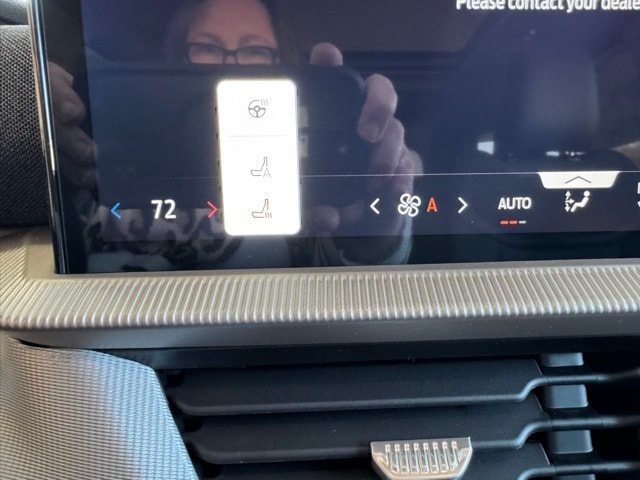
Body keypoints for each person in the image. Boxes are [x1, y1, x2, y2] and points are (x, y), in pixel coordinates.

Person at [51, 0, 422, 270]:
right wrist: (30, 118)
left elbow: (335, 283)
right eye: (207, 47)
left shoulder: (297, 163)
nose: (230, 65)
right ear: (177, 60)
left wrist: (375, 226)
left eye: (255, 51)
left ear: (282, 62)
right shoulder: (116, 134)